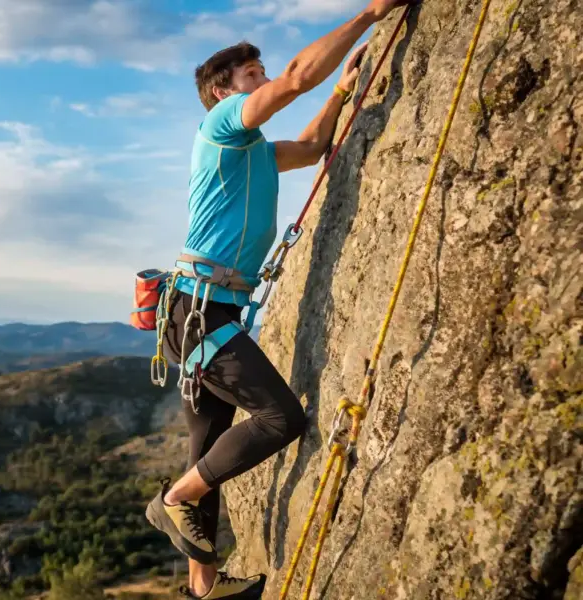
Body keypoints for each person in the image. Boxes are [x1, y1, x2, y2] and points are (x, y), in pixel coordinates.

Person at [143, 1, 415, 598]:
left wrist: (341, 94)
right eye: (252, 75)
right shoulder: (220, 128)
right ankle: (172, 501)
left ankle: (202, 588)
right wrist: (371, 13)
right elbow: (296, 78)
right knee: (281, 418)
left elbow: (315, 147)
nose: (263, 81)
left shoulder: (257, 154)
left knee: (209, 448)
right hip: (200, 312)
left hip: (198, 312)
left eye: (261, 73)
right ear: (223, 92)